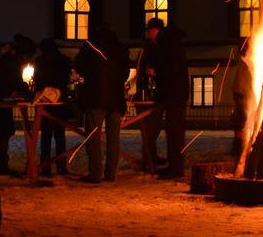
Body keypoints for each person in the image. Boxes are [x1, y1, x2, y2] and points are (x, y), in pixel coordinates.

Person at [74, 25, 130, 183]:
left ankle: (96, 173)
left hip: (95, 97)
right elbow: (125, 73)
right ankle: (111, 173)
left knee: (93, 137)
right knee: (114, 139)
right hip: (116, 99)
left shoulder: (90, 46)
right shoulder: (120, 48)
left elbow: (78, 66)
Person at [138, 18, 189, 179]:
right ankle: (174, 166)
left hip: (174, 94)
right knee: (173, 131)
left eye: (149, 32)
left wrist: (156, 73)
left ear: (154, 30)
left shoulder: (167, 43)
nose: (148, 36)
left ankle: (175, 169)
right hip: (175, 93)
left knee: (174, 131)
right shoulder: (171, 42)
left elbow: (171, 68)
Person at [0, 35, 34, 177]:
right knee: (1, 134)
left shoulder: (8, 60)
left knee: (1, 135)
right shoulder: (10, 62)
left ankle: (0, 166)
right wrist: (26, 89)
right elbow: (13, 81)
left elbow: (12, 81)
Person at [33, 38, 73, 176]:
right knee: (60, 135)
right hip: (59, 101)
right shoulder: (65, 61)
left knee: (46, 135)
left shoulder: (39, 62)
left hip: (45, 103)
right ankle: (61, 166)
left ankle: (45, 166)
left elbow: (37, 81)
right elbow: (66, 80)